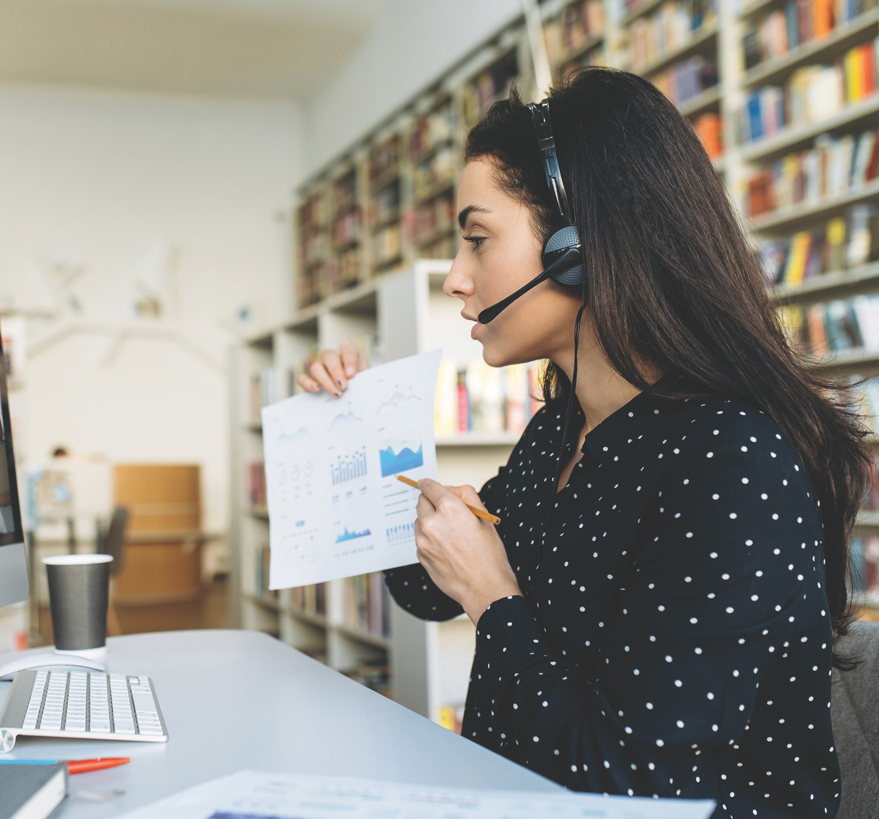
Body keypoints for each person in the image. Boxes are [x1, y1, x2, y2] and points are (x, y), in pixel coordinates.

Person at [299, 68, 868, 819]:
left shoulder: (731, 460)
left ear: (576, 247)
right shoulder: (562, 429)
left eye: (477, 240)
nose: (456, 279)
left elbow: (641, 786)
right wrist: (363, 429)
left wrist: (491, 592)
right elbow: (422, 586)